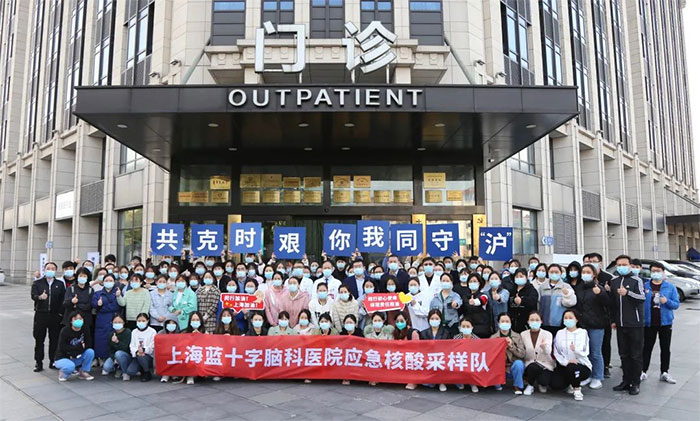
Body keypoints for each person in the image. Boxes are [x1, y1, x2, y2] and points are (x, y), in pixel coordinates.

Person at [609, 255, 646, 395]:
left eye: (624, 264)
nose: (621, 267)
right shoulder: (614, 281)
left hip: (635, 324)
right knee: (623, 354)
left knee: (635, 355)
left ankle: (635, 382)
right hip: (620, 324)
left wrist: (628, 293)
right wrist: (613, 320)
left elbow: (642, 297)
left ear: (630, 265)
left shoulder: (637, 280)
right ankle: (626, 380)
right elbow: (613, 303)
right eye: (619, 265)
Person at [642, 261, 680, 384]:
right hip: (649, 322)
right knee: (647, 347)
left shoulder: (670, 287)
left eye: (658, 271)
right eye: (653, 271)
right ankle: (643, 371)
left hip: (665, 322)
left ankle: (664, 372)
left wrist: (666, 301)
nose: (656, 273)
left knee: (665, 348)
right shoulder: (645, 286)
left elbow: (676, 304)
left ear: (663, 272)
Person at [573, 264, 608, 390]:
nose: (585, 274)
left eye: (588, 272)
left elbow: (608, 303)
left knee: (595, 352)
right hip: (582, 325)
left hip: (596, 325)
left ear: (594, 274)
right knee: (584, 352)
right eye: (583, 272)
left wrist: (600, 294)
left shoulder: (598, 288)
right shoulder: (578, 288)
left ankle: (597, 377)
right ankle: (587, 374)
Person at [31, 262, 67, 372]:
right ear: (44, 270)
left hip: (55, 315)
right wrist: (40, 297)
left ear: (55, 270)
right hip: (41, 314)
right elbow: (33, 296)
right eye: (48, 268)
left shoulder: (59, 284)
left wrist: (60, 313)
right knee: (39, 339)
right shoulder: (37, 283)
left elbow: (63, 299)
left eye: (52, 268)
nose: (50, 270)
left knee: (54, 339)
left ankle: (53, 360)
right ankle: (38, 362)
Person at [583, 252, 613, 378]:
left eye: (594, 261)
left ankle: (603, 368)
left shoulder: (607, 278)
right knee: (588, 349)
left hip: (602, 319)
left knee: (602, 345)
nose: (591, 263)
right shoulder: (581, 285)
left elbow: (610, 301)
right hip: (585, 321)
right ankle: (588, 373)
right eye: (589, 261)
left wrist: (602, 292)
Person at [551, 310, 591, 401]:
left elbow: (586, 351)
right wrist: (565, 362)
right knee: (555, 385)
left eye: (570, 318)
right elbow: (556, 352)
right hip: (564, 364)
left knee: (572, 367)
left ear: (576, 319)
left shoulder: (583, 332)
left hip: (580, 364)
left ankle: (577, 389)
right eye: (566, 318)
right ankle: (571, 382)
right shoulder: (560, 333)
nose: (568, 320)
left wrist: (575, 350)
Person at [520, 311, 554, 395]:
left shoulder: (547, 334)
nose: (534, 322)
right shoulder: (523, 334)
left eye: (537, 320)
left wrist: (544, 347)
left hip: (545, 364)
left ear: (541, 321)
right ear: (528, 321)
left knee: (544, 382)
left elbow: (548, 352)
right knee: (533, 367)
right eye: (532, 320)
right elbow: (522, 351)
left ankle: (540, 382)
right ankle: (530, 385)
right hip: (530, 363)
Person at [54, 311, 95, 382]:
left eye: (80, 319)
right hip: (63, 357)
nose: (78, 321)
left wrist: (79, 350)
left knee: (90, 352)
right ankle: (63, 372)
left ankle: (83, 371)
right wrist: (79, 347)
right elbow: (62, 347)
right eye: (75, 319)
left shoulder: (85, 329)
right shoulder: (65, 330)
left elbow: (88, 344)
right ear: (71, 321)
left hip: (76, 356)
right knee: (70, 367)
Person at [537, 264, 577, 335]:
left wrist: (566, 294)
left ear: (561, 273)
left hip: (560, 323)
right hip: (544, 323)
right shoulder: (542, 287)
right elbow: (538, 304)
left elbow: (572, 303)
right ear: (548, 273)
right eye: (551, 272)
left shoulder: (566, 286)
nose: (554, 274)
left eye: (556, 272)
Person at [491, 313, 525, 394]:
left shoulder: (517, 336)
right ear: (498, 323)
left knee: (519, 364)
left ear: (510, 323)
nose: (505, 323)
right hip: (500, 367)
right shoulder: (493, 337)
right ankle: (497, 382)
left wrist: (511, 346)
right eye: (502, 321)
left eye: (507, 321)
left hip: (512, 366)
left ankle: (517, 386)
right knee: (497, 385)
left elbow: (522, 354)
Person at [91, 273, 120, 362]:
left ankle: (113, 360)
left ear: (114, 282)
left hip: (114, 319)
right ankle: (101, 359)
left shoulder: (117, 293)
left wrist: (102, 306)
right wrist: (99, 305)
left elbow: (116, 306)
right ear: (103, 282)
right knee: (101, 340)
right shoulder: (97, 294)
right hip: (101, 320)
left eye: (110, 280)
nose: (108, 282)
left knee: (113, 339)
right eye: (106, 280)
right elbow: (94, 304)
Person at [419, 309, 451, 391]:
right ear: (429, 320)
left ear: (440, 320)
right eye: (432, 318)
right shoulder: (423, 333)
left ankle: (442, 382)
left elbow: (448, 348)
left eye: (436, 319)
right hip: (428, 358)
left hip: (441, 357)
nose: (434, 320)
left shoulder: (446, 333)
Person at [62, 268, 94, 336]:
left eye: (84, 276)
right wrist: (72, 301)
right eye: (80, 276)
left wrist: (76, 305)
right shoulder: (71, 288)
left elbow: (89, 305)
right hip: (71, 320)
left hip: (85, 320)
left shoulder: (90, 290)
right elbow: (65, 303)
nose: (82, 278)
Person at [125, 313, 156, 382]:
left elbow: (153, 346)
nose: (141, 322)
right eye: (139, 321)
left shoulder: (152, 331)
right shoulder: (134, 332)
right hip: (137, 355)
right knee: (130, 371)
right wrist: (137, 352)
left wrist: (144, 350)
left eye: (143, 321)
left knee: (142, 357)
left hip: (148, 356)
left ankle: (147, 372)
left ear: (147, 321)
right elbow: (132, 345)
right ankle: (142, 368)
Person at [453, 317, 480, 393]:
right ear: (460, 328)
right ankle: (459, 381)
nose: (465, 328)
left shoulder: (477, 340)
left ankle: (473, 383)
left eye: (468, 326)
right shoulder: (456, 338)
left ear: (472, 327)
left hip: (472, 361)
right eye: (463, 326)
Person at [461, 273, 492, 338]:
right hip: (469, 331)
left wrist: (475, 302)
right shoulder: (465, 297)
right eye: (470, 281)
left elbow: (483, 300)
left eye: (475, 281)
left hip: (482, 331)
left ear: (479, 283)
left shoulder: (484, 295)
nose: (472, 283)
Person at [101, 314, 132, 380]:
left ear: (123, 322)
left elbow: (126, 348)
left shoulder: (128, 332)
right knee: (106, 367)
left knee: (119, 354)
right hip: (115, 356)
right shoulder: (111, 334)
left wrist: (117, 342)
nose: (117, 324)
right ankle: (118, 368)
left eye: (119, 322)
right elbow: (110, 350)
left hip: (126, 356)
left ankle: (125, 372)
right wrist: (114, 358)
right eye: (115, 322)